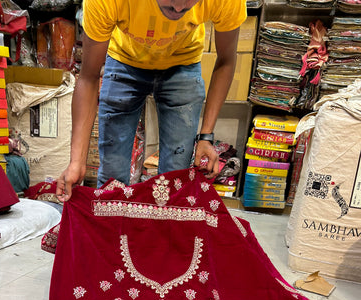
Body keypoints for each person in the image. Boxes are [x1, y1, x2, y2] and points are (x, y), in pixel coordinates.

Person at [56, 0, 247, 202]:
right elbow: (88, 77)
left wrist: (206, 136)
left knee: (174, 181)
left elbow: (226, 60)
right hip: (124, 58)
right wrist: (76, 162)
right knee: (112, 180)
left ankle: (165, 230)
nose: (180, 9)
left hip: (183, 61)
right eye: (171, 3)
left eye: (190, 3)